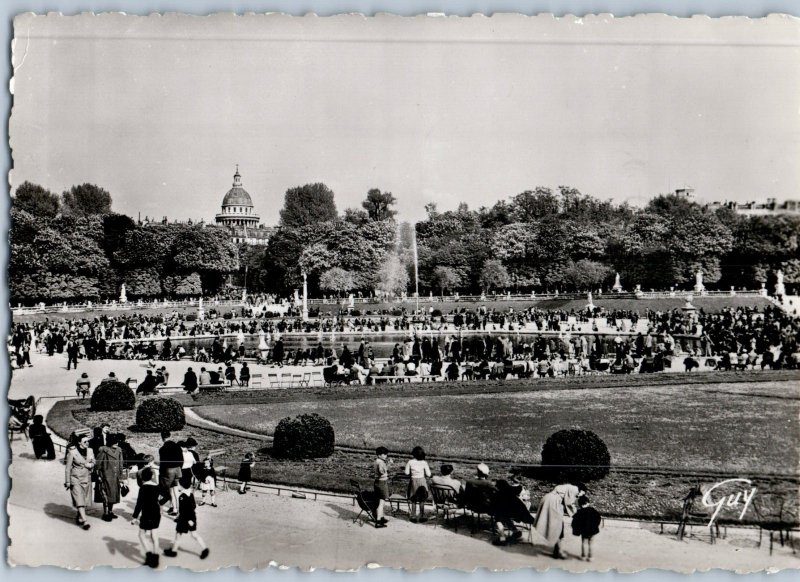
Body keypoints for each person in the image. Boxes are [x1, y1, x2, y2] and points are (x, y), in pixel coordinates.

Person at [534, 483, 584, 559]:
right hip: (553, 503)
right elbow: (570, 503)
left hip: (549, 500)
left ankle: (557, 551)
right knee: (557, 526)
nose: (579, 496)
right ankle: (558, 551)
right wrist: (576, 514)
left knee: (557, 525)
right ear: (581, 490)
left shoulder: (568, 487)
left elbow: (566, 501)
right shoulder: (574, 489)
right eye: (582, 494)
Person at [163, 480, 210, 560]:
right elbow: (193, 507)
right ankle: (204, 548)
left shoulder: (182, 497)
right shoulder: (191, 494)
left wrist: (187, 519)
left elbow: (183, 510)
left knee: (178, 534)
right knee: (193, 534)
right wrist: (191, 519)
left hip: (185, 519)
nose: (177, 486)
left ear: (182, 486)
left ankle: (174, 551)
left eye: (178, 485)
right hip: (192, 517)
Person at [131, 467, 162, 568]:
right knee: (154, 535)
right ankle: (155, 557)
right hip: (156, 513)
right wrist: (159, 503)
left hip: (146, 513)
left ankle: (149, 555)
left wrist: (135, 517)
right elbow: (167, 495)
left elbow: (139, 503)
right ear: (152, 476)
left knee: (141, 534)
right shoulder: (157, 487)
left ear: (142, 477)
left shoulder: (143, 488)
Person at [64, 432, 95, 530]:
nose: (87, 443)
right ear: (79, 443)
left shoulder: (90, 450)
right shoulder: (72, 452)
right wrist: (67, 481)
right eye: (85, 442)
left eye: (88, 441)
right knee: (79, 499)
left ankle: (80, 515)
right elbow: (68, 468)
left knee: (84, 500)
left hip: (86, 478)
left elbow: (94, 461)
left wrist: (92, 465)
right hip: (75, 479)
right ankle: (85, 521)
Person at [491, 479, 533, 546]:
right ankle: (515, 532)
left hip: (513, 513)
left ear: (498, 487)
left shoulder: (498, 494)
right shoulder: (511, 490)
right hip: (521, 512)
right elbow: (519, 487)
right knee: (505, 516)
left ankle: (502, 539)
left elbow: (494, 504)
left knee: (498, 519)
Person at [95, 433, 124, 521]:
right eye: (115, 442)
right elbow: (98, 464)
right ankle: (106, 513)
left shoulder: (119, 450)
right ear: (110, 442)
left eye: (117, 442)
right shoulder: (104, 450)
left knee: (114, 495)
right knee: (107, 495)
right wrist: (99, 476)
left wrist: (121, 477)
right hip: (106, 476)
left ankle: (110, 511)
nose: (117, 444)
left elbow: (121, 463)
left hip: (116, 476)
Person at [158, 430, 183, 515]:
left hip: (169, 471)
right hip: (178, 470)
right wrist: (179, 468)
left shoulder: (162, 449)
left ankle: (160, 508)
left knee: (163, 489)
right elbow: (181, 460)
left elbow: (163, 464)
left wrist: (161, 474)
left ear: (162, 438)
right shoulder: (177, 446)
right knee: (175, 491)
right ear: (170, 436)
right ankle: (176, 510)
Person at [404, 446, 431, 523]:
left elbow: (406, 473)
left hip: (413, 481)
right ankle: (422, 515)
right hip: (422, 481)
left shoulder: (410, 462)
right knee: (422, 499)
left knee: (413, 499)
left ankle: (413, 515)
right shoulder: (424, 463)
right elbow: (429, 474)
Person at [572, 495, 602, 561]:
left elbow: (575, 521)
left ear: (580, 504)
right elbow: (598, 518)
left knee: (584, 542)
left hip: (584, 530)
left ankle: (583, 556)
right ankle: (590, 557)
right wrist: (596, 525)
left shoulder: (579, 512)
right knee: (591, 543)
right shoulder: (593, 510)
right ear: (587, 503)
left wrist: (577, 530)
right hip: (593, 530)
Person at [373, 447, 390, 528]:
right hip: (382, 483)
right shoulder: (381, 462)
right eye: (384, 454)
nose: (386, 456)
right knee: (381, 502)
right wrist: (388, 464)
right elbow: (382, 471)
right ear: (379, 454)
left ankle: (381, 517)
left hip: (377, 482)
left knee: (379, 500)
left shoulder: (377, 461)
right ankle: (378, 520)